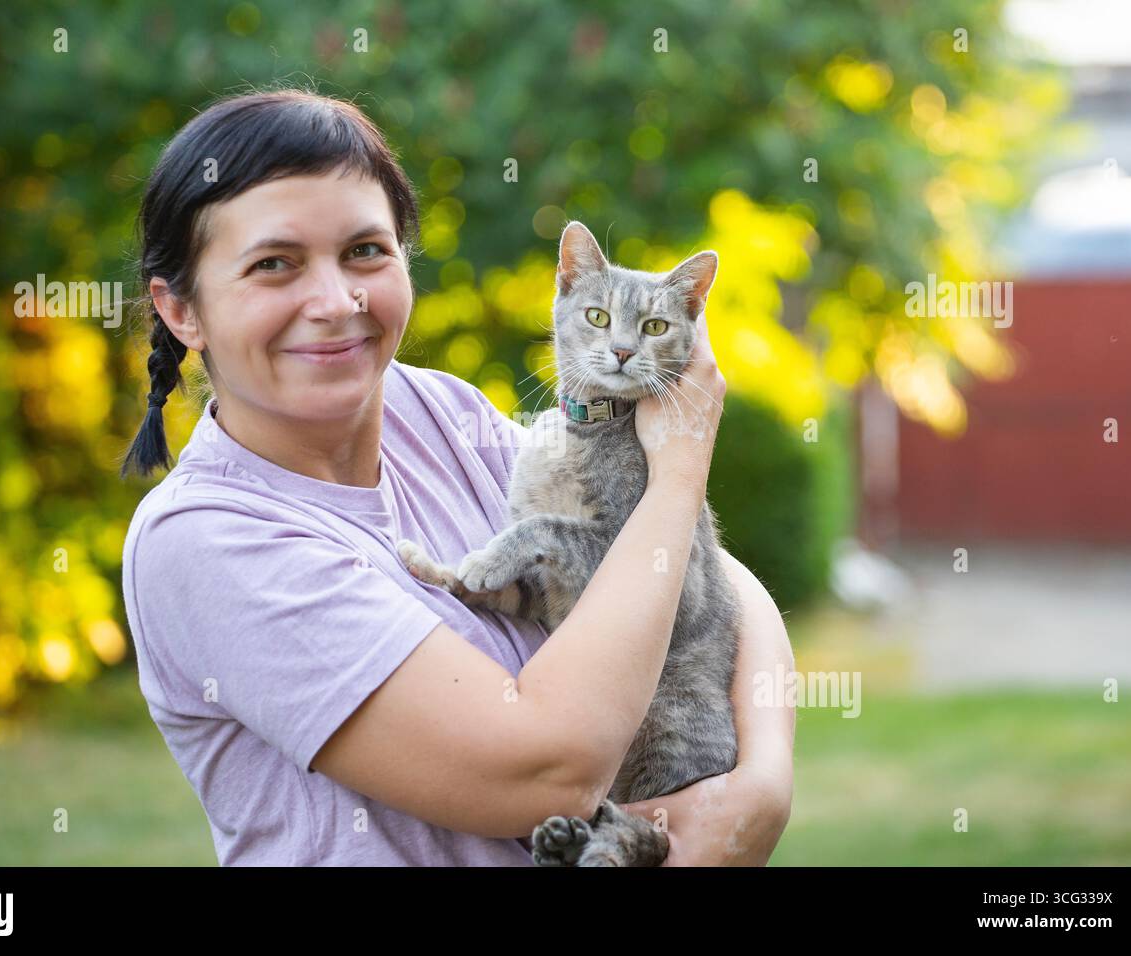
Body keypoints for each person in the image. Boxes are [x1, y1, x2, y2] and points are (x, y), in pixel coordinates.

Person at [119, 88, 795, 866]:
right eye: (275, 264)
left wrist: (759, 790)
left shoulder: (441, 412)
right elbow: (547, 776)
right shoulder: (207, 541)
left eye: (366, 252)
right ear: (182, 311)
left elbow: (711, 577)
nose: (338, 302)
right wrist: (680, 464)